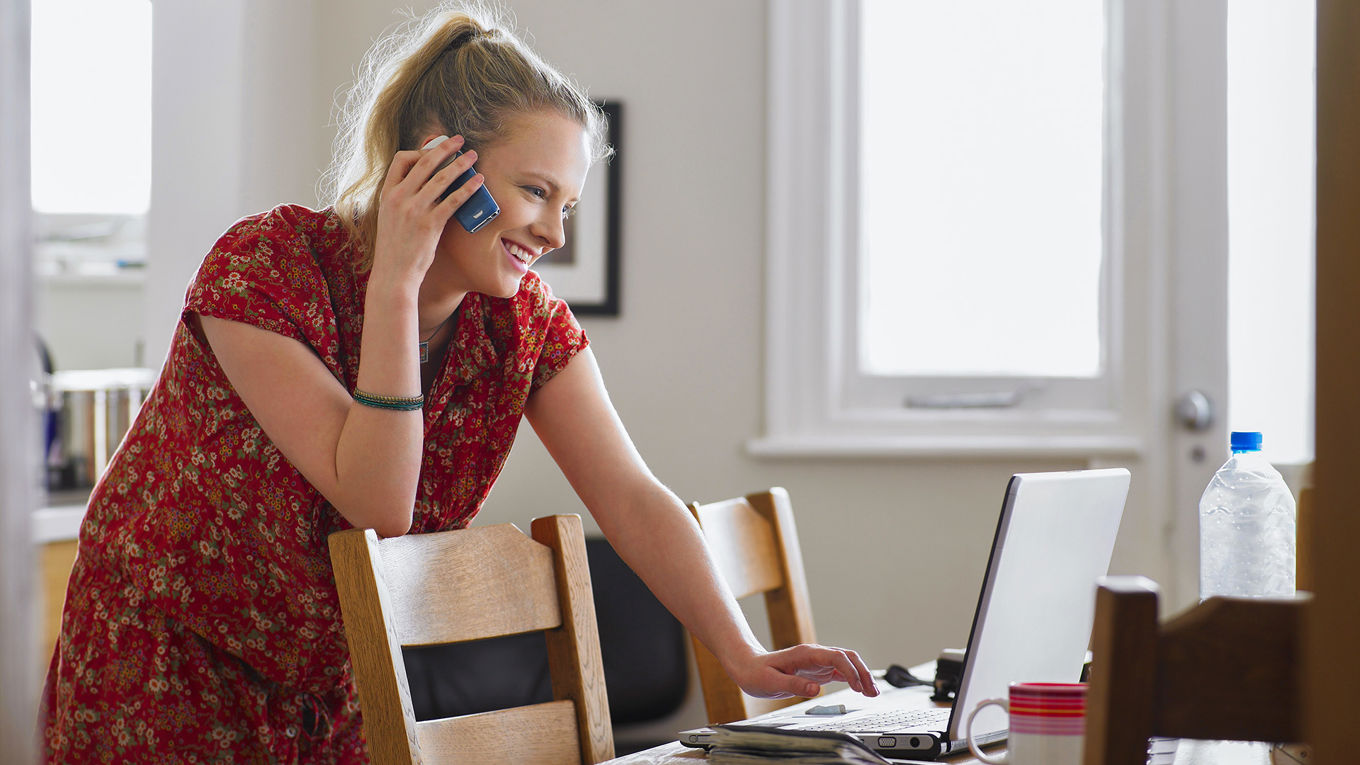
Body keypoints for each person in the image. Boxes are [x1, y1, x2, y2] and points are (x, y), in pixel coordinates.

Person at [40, 2, 877, 761]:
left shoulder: (524, 324)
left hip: (333, 683)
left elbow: (628, 493)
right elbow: (378, 500)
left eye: (568, 206)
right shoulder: (265, 268)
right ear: (443, 168)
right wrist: (397, 284)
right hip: (167, 662)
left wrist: (738, 652)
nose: (552, 232)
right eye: (535, 192)